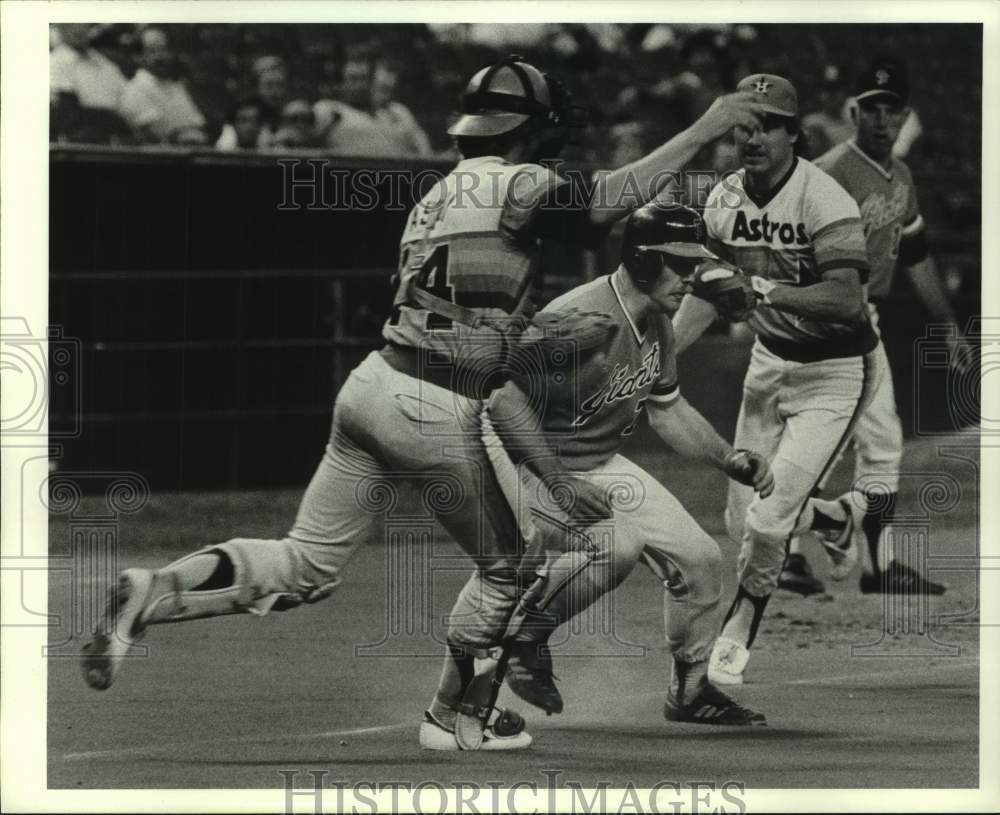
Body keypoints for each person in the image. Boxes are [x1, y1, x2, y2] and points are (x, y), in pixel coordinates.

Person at [81, 55, 768, 750]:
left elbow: (471, 295)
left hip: (372, 384)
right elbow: (602, 205)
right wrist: (705, 126)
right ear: (531, 131)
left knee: (303, 565)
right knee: (514, 564)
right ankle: (451, 715)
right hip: (436, 403)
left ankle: (155, 590)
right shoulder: (516, 180)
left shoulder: (436, 196)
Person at [488, 202, 773, 725]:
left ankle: (689, 690)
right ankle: (525, 640)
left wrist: (728, 458)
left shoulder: (657, 322)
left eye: (694, 265)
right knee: (616, 545)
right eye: (679, 264)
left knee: (701, 558)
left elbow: (668, 412)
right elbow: (499, 400)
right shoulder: (580, 316)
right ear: (643, 262)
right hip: (527, 468)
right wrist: (553, 480)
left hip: (597, 463)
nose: (690, 279)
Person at [671, 74, 882, 687]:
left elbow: (846, 300)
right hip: (769, 365)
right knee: (743, 520)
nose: (751, 136)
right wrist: (662, 355)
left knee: (766, 525)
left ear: (795, 134)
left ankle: (739, 632)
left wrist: (763, 287)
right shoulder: (723, 200)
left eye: (766, 124)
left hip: (835, 374)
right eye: (743, 124)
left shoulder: (825, 197)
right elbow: (706, 294)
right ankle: (837, 520)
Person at [780, 60, 971, 597]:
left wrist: (950, 327)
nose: (883, 119)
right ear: (854, 113)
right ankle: (789, 554)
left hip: (865, 318)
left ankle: (879, 565)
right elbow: (785, 245)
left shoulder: (901, 178)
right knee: (823, 437)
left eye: (893, 109)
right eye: (873, 109)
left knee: (881, 441)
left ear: (904, 116)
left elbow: (915, 255)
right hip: (821, 319)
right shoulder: (827, 170)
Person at [119, 27, 207, 144]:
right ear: (138, 57)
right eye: (152, 51)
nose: (160, 56)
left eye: (164, 50)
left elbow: (198, 124)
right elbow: (156, 134)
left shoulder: (175, 86)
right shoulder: (135, 90)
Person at [801, 65, 853, 159]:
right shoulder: (812, 123)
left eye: (836, 89)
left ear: (845, 91)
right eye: (827, 89)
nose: (832, 95)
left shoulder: (853, 123)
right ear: (819, 93)